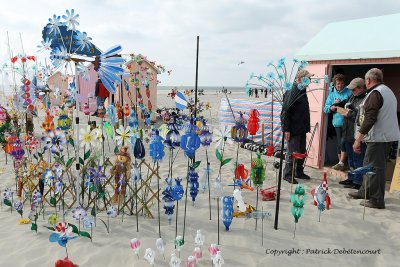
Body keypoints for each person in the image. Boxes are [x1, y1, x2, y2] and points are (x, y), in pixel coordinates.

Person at [348, 68, 400, 209]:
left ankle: (377, 200)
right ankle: (364, 191)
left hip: (379, 137)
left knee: (375, 168)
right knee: (368, 165)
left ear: (368, 80)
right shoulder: (387, 91)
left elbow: (370, 118)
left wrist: (358, 139)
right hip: (385, 136)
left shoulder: (376, 93)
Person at [281, 69, 312, 184]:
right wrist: (286, 129)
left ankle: (299, 171)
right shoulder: (292, 90)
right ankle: (288, 174)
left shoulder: (301, 90)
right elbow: (286, 112)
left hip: (301, 127)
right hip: (293, 128)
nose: (309, 81)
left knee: (301, 151)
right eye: (307, 79)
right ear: (300, 79)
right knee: (292, 153)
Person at [335, 78, 367, 189]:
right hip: (347, 132)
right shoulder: (353, 96)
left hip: (356, 134)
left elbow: (362, 118)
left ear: (361, 88)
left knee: (358, 159)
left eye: (353, 89)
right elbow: (346, 103)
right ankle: (351, 178)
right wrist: (337, 105)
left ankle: (358, 182)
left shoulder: (365, 99)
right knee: (351, 159)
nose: (351, 91)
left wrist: (349, 114)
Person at [323, 74, 352, 171]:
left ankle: (342, 162)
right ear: (335, 84)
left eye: (342, 83)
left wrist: (342, 103)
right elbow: (325, 109)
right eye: (338, 83)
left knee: (345, 141)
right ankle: (341, 163)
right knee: (340, 142)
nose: (340, 85)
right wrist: (331, 107)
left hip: (349, 122)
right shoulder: (331, 95)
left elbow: (353, 105)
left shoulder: (349, 92)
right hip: (337, 122)